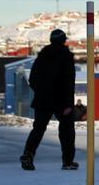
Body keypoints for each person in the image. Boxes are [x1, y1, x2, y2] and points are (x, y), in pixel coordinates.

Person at [21, 29, 78, 171]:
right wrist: (68, 104)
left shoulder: (42, 56)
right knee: (67, 131)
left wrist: (41, 92)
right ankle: (68, 161)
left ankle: (28, 154)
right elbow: (68, 82)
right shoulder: (66, 56)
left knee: (38, 129)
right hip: (61, 101)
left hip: (43, 99)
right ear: (64, 40)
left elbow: (32, 79)